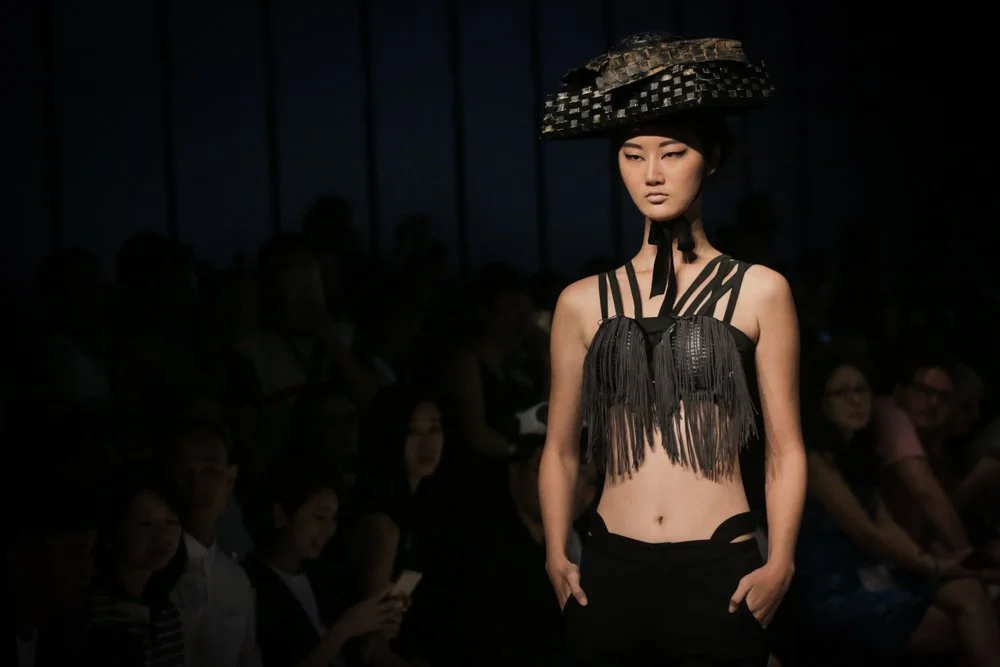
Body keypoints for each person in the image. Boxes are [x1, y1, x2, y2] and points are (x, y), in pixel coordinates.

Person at [537, 33, 807, 666]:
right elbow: (560, 448)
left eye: (673, 152)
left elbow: (786, 449)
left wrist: (782, 560)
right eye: (633, 156)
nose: (651, 174)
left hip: (720, 564)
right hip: (608, 564)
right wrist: (554, 550)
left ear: (711, 159)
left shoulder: (760, 291)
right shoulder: (581, 302)